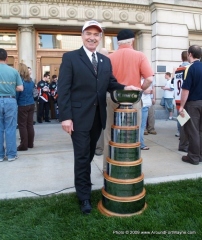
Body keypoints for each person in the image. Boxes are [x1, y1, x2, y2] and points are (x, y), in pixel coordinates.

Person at [57, 20, 138, 214]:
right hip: (78, 118)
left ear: (100, 38)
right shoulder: (70, 58)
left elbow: (110, 83)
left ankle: (83, 183)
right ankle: (84, 196)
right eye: (88, 33)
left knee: (90, 154)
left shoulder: (105, 60)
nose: (92, 37)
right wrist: (65, 117)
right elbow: (64, 89)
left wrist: (125, 87)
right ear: (82, 36)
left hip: (98, 117)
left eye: (96, 34)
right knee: (82, 156)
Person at [103, 29, 154, 172]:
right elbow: (149, 78)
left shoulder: (109, 58)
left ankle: (108, 167)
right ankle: (131, 166)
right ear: (132, 41)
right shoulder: (139, 55)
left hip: (113, 97)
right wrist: (141, 89)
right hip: (133, 98)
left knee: (109, 133)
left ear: (117, 42)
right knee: (133, 133)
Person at [179, 45, 202, 165]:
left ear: (190, 54)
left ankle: (193, 157)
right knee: (200, 131)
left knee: (193, 131)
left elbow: (185, 90)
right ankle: (200, 155)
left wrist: (181, 106)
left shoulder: (190, 68)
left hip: (193, 103)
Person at [0, 48, 23, 162]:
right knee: (10, 128)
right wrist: (9, 87)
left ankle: (0, 155)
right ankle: (11, 155)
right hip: (10, 100)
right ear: (6, 58)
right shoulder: (13, 71)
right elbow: (20, 88)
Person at [16, 63, 35, 151]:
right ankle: (30, 144)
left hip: (22, 104)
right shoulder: (31, 81)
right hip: (31, 104)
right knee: (29, 124)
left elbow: (17, 94)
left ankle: (24, 145)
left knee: (22, 125)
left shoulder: (20, 81)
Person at [173, 51, 189, 152]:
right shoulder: (188, 69)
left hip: (177, 97)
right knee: (187, 123)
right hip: (185, 98)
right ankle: (185, 142)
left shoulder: (177, 70)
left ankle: (180, 135)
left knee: (181, 119)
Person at [95, 48, 109, 156]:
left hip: (101, 100)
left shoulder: (106, 63)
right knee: (102, 125)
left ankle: (97, 147)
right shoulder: (100, 64)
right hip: (102, 100)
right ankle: (99, 148)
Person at [140, 80, 152, 150]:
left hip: (144, 105)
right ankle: (141, 144)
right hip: (143, 106)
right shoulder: (142, 81)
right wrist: (149, 90)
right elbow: (147, 91)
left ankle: (140, 143)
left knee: (141, 126)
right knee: (142, 126)